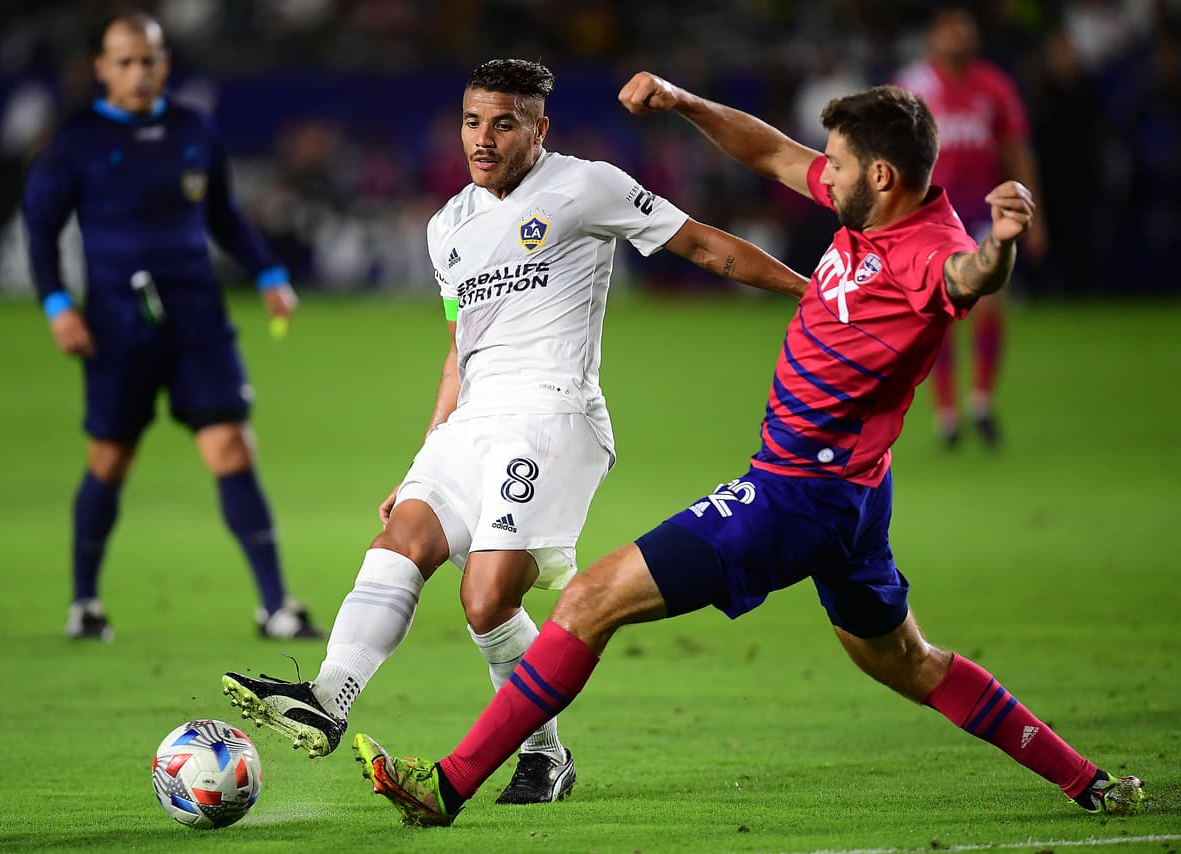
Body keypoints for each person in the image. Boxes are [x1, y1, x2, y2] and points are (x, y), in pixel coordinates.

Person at [349, 76, 1147, 827]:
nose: (816, 175)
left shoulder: (925, 255)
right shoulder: (870, 212)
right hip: (857, 494)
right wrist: (680, 101)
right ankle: (1090, 782)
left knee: (589, 600)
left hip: (795, 494)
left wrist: (1001, 243)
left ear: (880, 175)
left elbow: (970, 276)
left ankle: (448, 785)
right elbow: (769, 151)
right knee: (909, 660)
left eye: (832, 165)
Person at [221, 58, 807, 806]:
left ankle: (543, 753)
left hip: (553, 416)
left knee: (486, 598)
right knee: (402, 540)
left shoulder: (586, 185)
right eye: (472, 122)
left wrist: (811, 291)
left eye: (503, 122)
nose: (484, 138)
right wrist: (421, 456)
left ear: (539, 127)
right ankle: (328, 698)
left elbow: (703, 246)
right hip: (471, 421)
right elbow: (458, 350)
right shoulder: (447, 228)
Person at [23, 11, 324, 642]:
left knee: (232, 446)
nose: (139, 72)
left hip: (198, 320)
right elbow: (41, 227)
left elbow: (224, 213)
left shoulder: (193, 130)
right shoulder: (76, 140)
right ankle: (85, 603)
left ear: (164, 63)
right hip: (115, 323)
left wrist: (268, 273)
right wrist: (56, 302)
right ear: (103, 68)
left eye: (150, 59)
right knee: (110, 458)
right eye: (125, 61)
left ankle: (276, 606)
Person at [893, 5, 1047, 449]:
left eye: (964, 32)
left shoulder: (993, 87)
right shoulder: (913, 86)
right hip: (931, 213)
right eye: (949, 32)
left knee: (990, 300)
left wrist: (1033, 215)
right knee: (939, 312)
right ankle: (947, 414)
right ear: (933, 38)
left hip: (982, 208)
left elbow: (1017, 149)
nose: (957, 40)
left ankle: (980, 401)